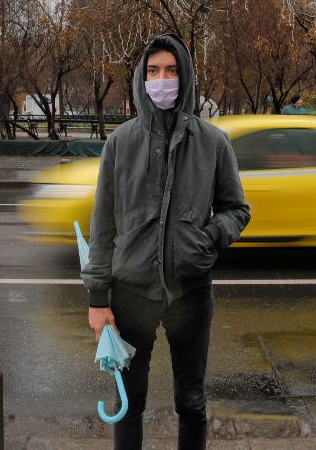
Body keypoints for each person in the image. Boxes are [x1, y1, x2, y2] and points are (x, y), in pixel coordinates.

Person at [81, 34, 251, 450]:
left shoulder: (212, 141)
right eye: (154, 71)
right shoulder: (121, 143)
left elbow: (237, 210)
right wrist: (97, 299)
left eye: (172, 71)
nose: (163, 80)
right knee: (128, 403)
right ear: (142, 78)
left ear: (186, 78)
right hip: (129, 295)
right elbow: (102, 227)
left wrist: (209, 236)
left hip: (190, 295)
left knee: (191, 402)